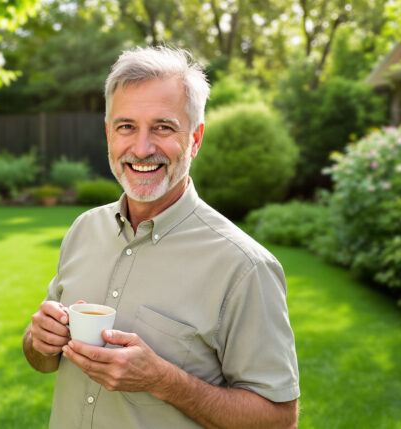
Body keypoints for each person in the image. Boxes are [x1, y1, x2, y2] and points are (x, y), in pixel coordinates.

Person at [22, 46, 300, 428]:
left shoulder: (245, 267)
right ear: (108, 133)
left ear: (195, 138)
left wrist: (163, 381)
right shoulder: (83, 229)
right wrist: (38, 339)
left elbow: (280, 420)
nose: (141, 149)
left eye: (163, 128)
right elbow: (42, 359)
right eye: (126, 127)